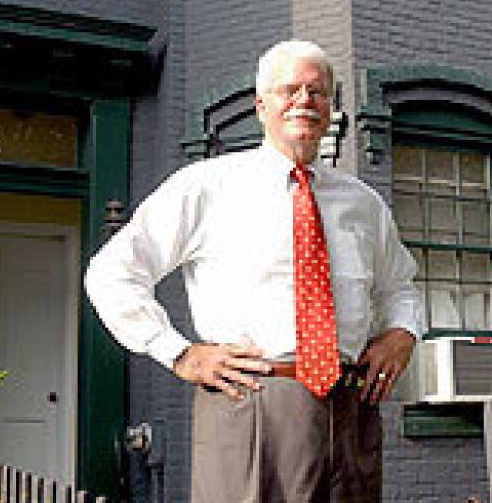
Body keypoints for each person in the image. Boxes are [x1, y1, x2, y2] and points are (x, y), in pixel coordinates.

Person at [85, 40, 423, 502]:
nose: (305, 101)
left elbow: (399, 284)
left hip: (352, 411)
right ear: (261, 106)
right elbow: (111, 273)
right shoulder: (206, 187)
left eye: (318, 91)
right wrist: (181, 353)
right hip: (251, 404)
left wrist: (402, 332)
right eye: (290, 90)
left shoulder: (363, 203)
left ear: (330, 108)